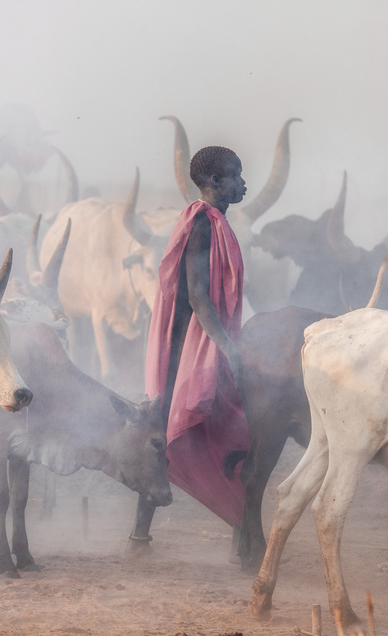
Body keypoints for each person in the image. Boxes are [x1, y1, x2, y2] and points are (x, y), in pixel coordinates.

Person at [129, 145, 250, 547]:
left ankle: (239, 531)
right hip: (187, 348)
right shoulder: (201, 224)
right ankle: (239, 533)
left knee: (206, 431)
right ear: (215, 182)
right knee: (178, 433)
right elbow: (199, 297)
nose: (242, 183)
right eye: (235, 176)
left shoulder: (212, 222)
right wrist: (229, 347)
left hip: (198, 341)